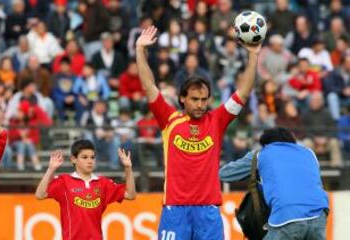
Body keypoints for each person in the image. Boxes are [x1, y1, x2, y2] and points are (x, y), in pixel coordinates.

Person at [136, 26, 261, 239]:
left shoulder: (217, 120)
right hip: (175, 209)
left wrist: (253, 55)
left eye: (204, 99)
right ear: (183, 98)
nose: (200, 105)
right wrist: (140, 50)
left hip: (208, 209)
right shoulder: (169, 120)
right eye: (195, 99)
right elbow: (149, 86)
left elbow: (243, 92)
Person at [219, 127, 329, 240]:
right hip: (318, 215)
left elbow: (224, 174)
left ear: (265, 144)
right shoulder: (309, 153)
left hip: (286, 216)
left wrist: (256, 172)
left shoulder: (261, 155)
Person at [35, 140, 136, 240]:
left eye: (92, 157)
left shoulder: (103, 183)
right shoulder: (64, 181)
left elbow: (130, 195)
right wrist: (51, 169)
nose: (90, 161)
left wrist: (128, 168)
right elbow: (40, 195)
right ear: (73, 159)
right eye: (84, 157)